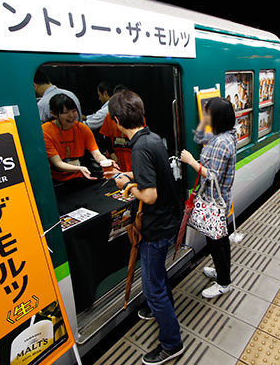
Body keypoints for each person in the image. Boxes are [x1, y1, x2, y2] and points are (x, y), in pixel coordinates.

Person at [110, 90, 184, 365]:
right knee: (158, 276)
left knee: (152, 286)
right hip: (169, 220)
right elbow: (156, 173)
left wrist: (127, 185)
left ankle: (172, 344)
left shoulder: (138, 147)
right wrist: (131, 174)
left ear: (117, 120)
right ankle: (161, 310)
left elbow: (149, 195)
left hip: (155, 227)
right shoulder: (152, 138)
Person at [180, 97, 237, 299]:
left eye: (208, 114)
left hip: (214, 202)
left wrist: (190, 162)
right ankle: (223, 272)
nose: (206, 118)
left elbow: (213, 175)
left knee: (217, 241)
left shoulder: (221, 142)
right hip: (218, 199)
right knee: (220, 239)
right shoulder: (226, 135)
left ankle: (223, 283)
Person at [42, 94, 115, 182]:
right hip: (57, 181)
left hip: (81, 177)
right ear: (53, 114)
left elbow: (96, 154)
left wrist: (106, 162)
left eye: (73, 111)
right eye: (65, 113)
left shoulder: (82, 128)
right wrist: (80, 168)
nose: (71, 116)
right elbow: (57, 163)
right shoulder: (46, 131)